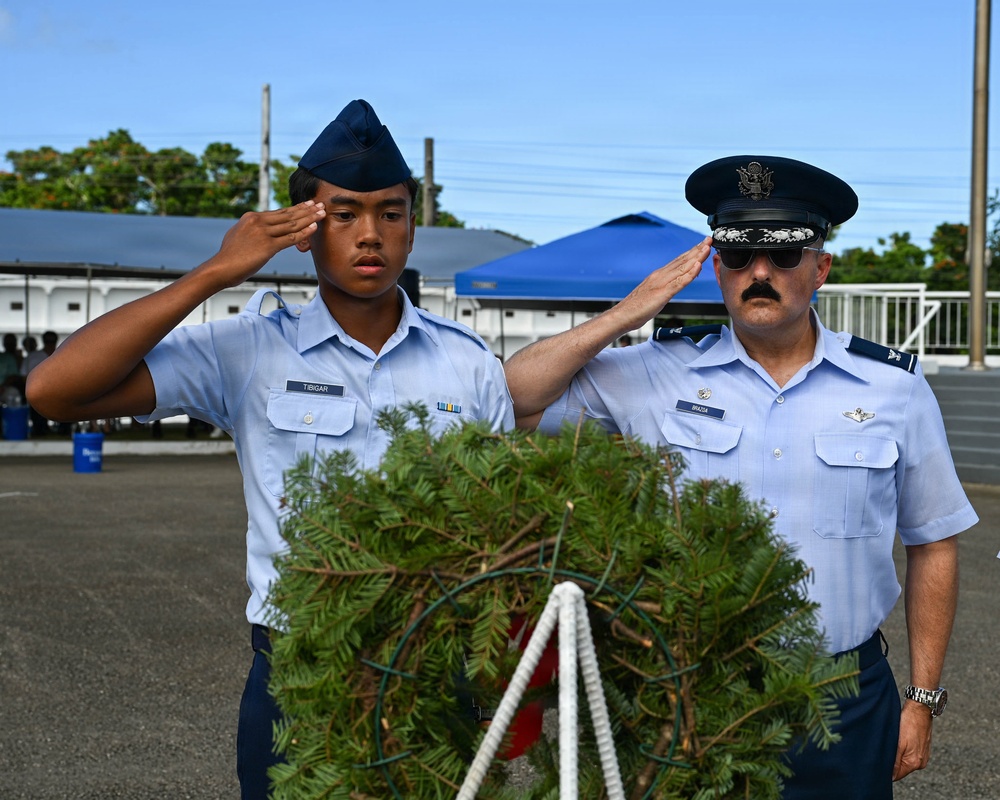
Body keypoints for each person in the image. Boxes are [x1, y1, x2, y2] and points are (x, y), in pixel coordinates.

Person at [26, 98, 513, 800]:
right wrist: (215, 274)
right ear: (305, 230)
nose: (370, 234)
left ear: (413, 227)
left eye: (392, 213)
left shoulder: (468, 363)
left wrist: (495, 674)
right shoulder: (251, 347)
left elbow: (492, 533)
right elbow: (53, 390)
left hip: (435, 669)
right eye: (344, 215)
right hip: (298, 674)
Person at [503, 155, 978, 799]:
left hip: (845, 696)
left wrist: (920, 698)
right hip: (691, 693)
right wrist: (629, 312)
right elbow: (511, 398)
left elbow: (934, 541)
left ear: (820, 268)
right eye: (738, 253)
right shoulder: (653, 369)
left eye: (783, 255)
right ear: (716, 267)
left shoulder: (893, 387)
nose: (760, 272)